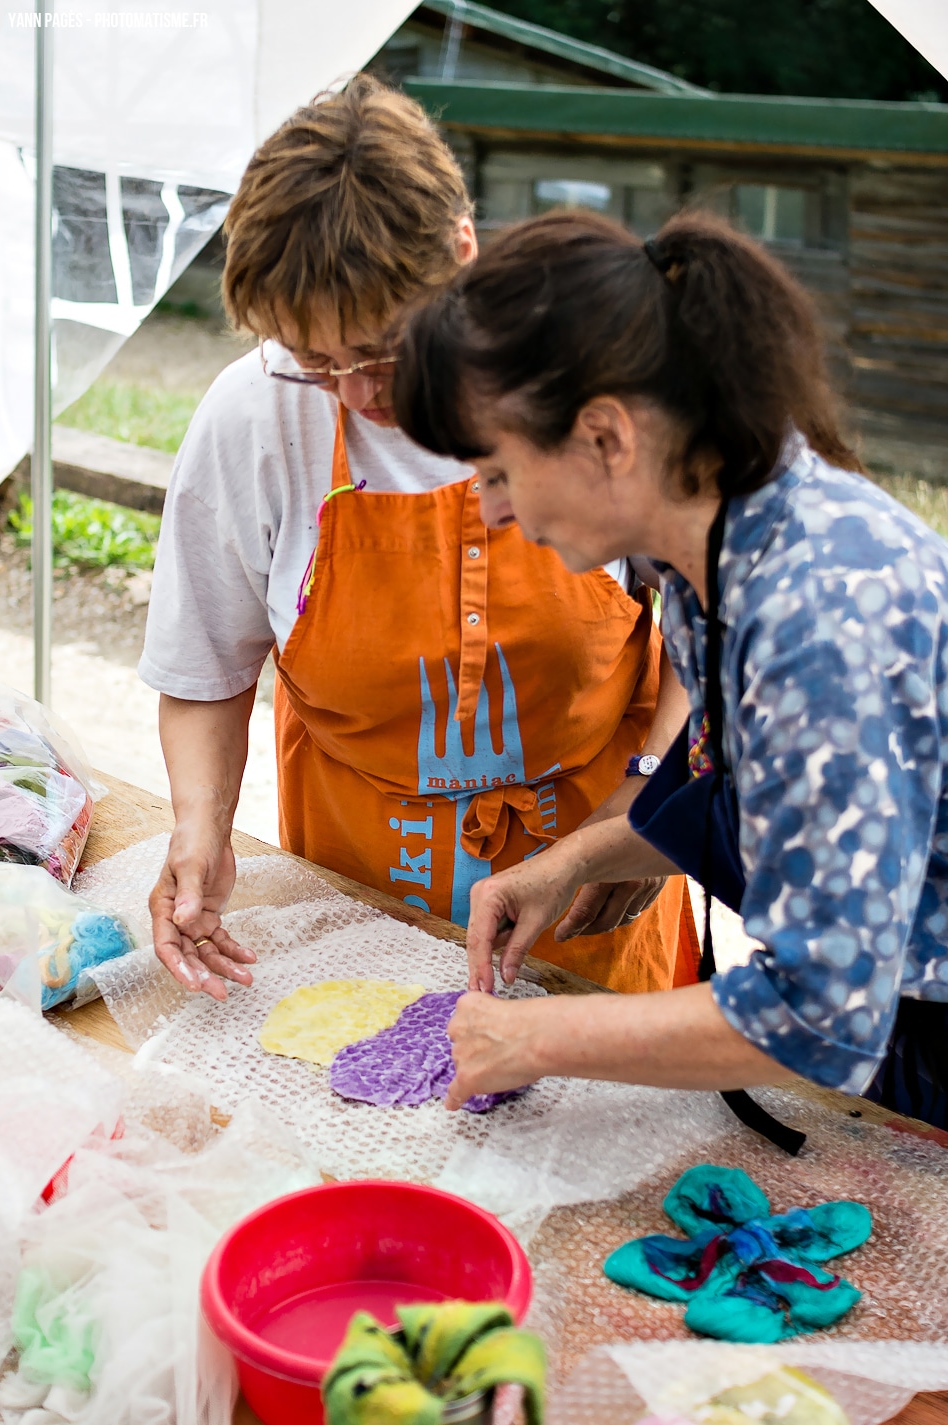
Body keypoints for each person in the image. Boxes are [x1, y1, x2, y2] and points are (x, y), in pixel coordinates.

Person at [140, 78, 699, 1001]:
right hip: (357, 900)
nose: (357, 392)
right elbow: (207, 662)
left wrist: (653, 798)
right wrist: (202, 828)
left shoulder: (591, 380)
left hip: (592, 888)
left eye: (383, 350)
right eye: (314, 362)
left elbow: (696, 611)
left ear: (462, 254)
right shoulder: (252, 416)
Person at [392, 208, 948, 1133]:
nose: (488, 511)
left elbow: (818, 1009)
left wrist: (537, 1040)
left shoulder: (817, 621)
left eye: (497, 471)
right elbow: (739, 787)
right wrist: (569, 863)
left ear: (607, 437)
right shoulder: (703, 555)